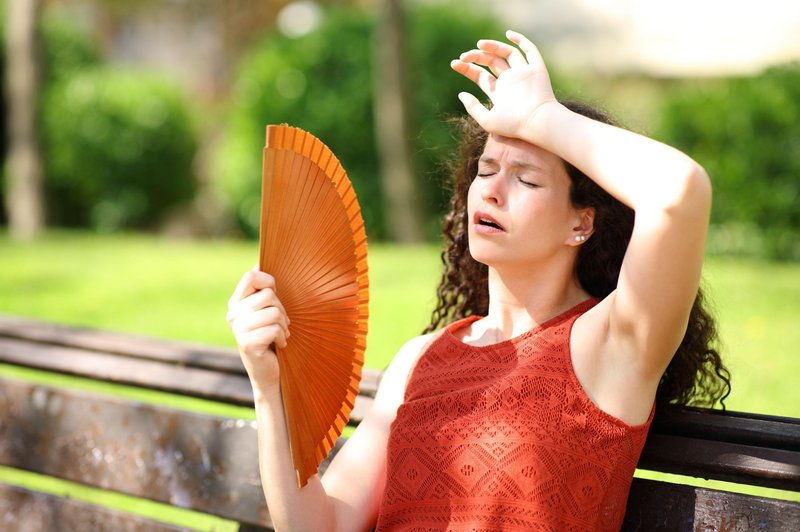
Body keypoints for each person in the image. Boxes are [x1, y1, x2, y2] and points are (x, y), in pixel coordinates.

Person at [226, 30, 730, 531]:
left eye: (526, 179)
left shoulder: (609, 347)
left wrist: (542, 119)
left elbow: (679, 192)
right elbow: (322, 527)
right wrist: (270, 387)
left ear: (582, 223)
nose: (490, 193)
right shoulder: (419, 360)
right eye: (485, 171)